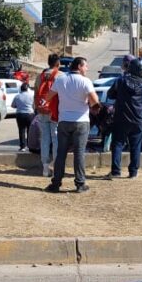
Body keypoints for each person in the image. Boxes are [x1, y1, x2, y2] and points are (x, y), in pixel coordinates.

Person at [44, 56, 99, 194]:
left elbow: (48, 97)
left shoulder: (61, 79)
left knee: (61, 153)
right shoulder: (85, 81)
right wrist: (94, 106)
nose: (87, 68)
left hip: (63, 121)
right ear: (79, 67)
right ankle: (80, 184)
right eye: (85, 66)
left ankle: (56, 184)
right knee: (79, 153)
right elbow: (94, 101)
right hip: (81, 122)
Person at [107, 58, 142, 179]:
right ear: (141, 71)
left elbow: (110, 94)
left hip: (121, 118)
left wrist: (120, 96)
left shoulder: (121, 81)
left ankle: (115, 171)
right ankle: (133, 172)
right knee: (136, 145)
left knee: (117, 144)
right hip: (139, 119)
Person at [34, 54, 61, 176]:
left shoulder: (40, 76)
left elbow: (35, 94)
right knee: (56, 138)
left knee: (44, 138)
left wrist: (38, 108)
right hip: (55, 110)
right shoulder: (60, 76)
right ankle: (56, 166)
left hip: (42, 110)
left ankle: (45, 167)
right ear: (58, 63)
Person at [13, 81, 35, 152]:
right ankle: (30, 145)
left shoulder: (17, 96)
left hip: (20, 114)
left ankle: (22, 146)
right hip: (30, 114)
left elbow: (13, 105)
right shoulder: (31, 96)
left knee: (21, 130)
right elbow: (34, 106)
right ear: (28, 89)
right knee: (30, 131)